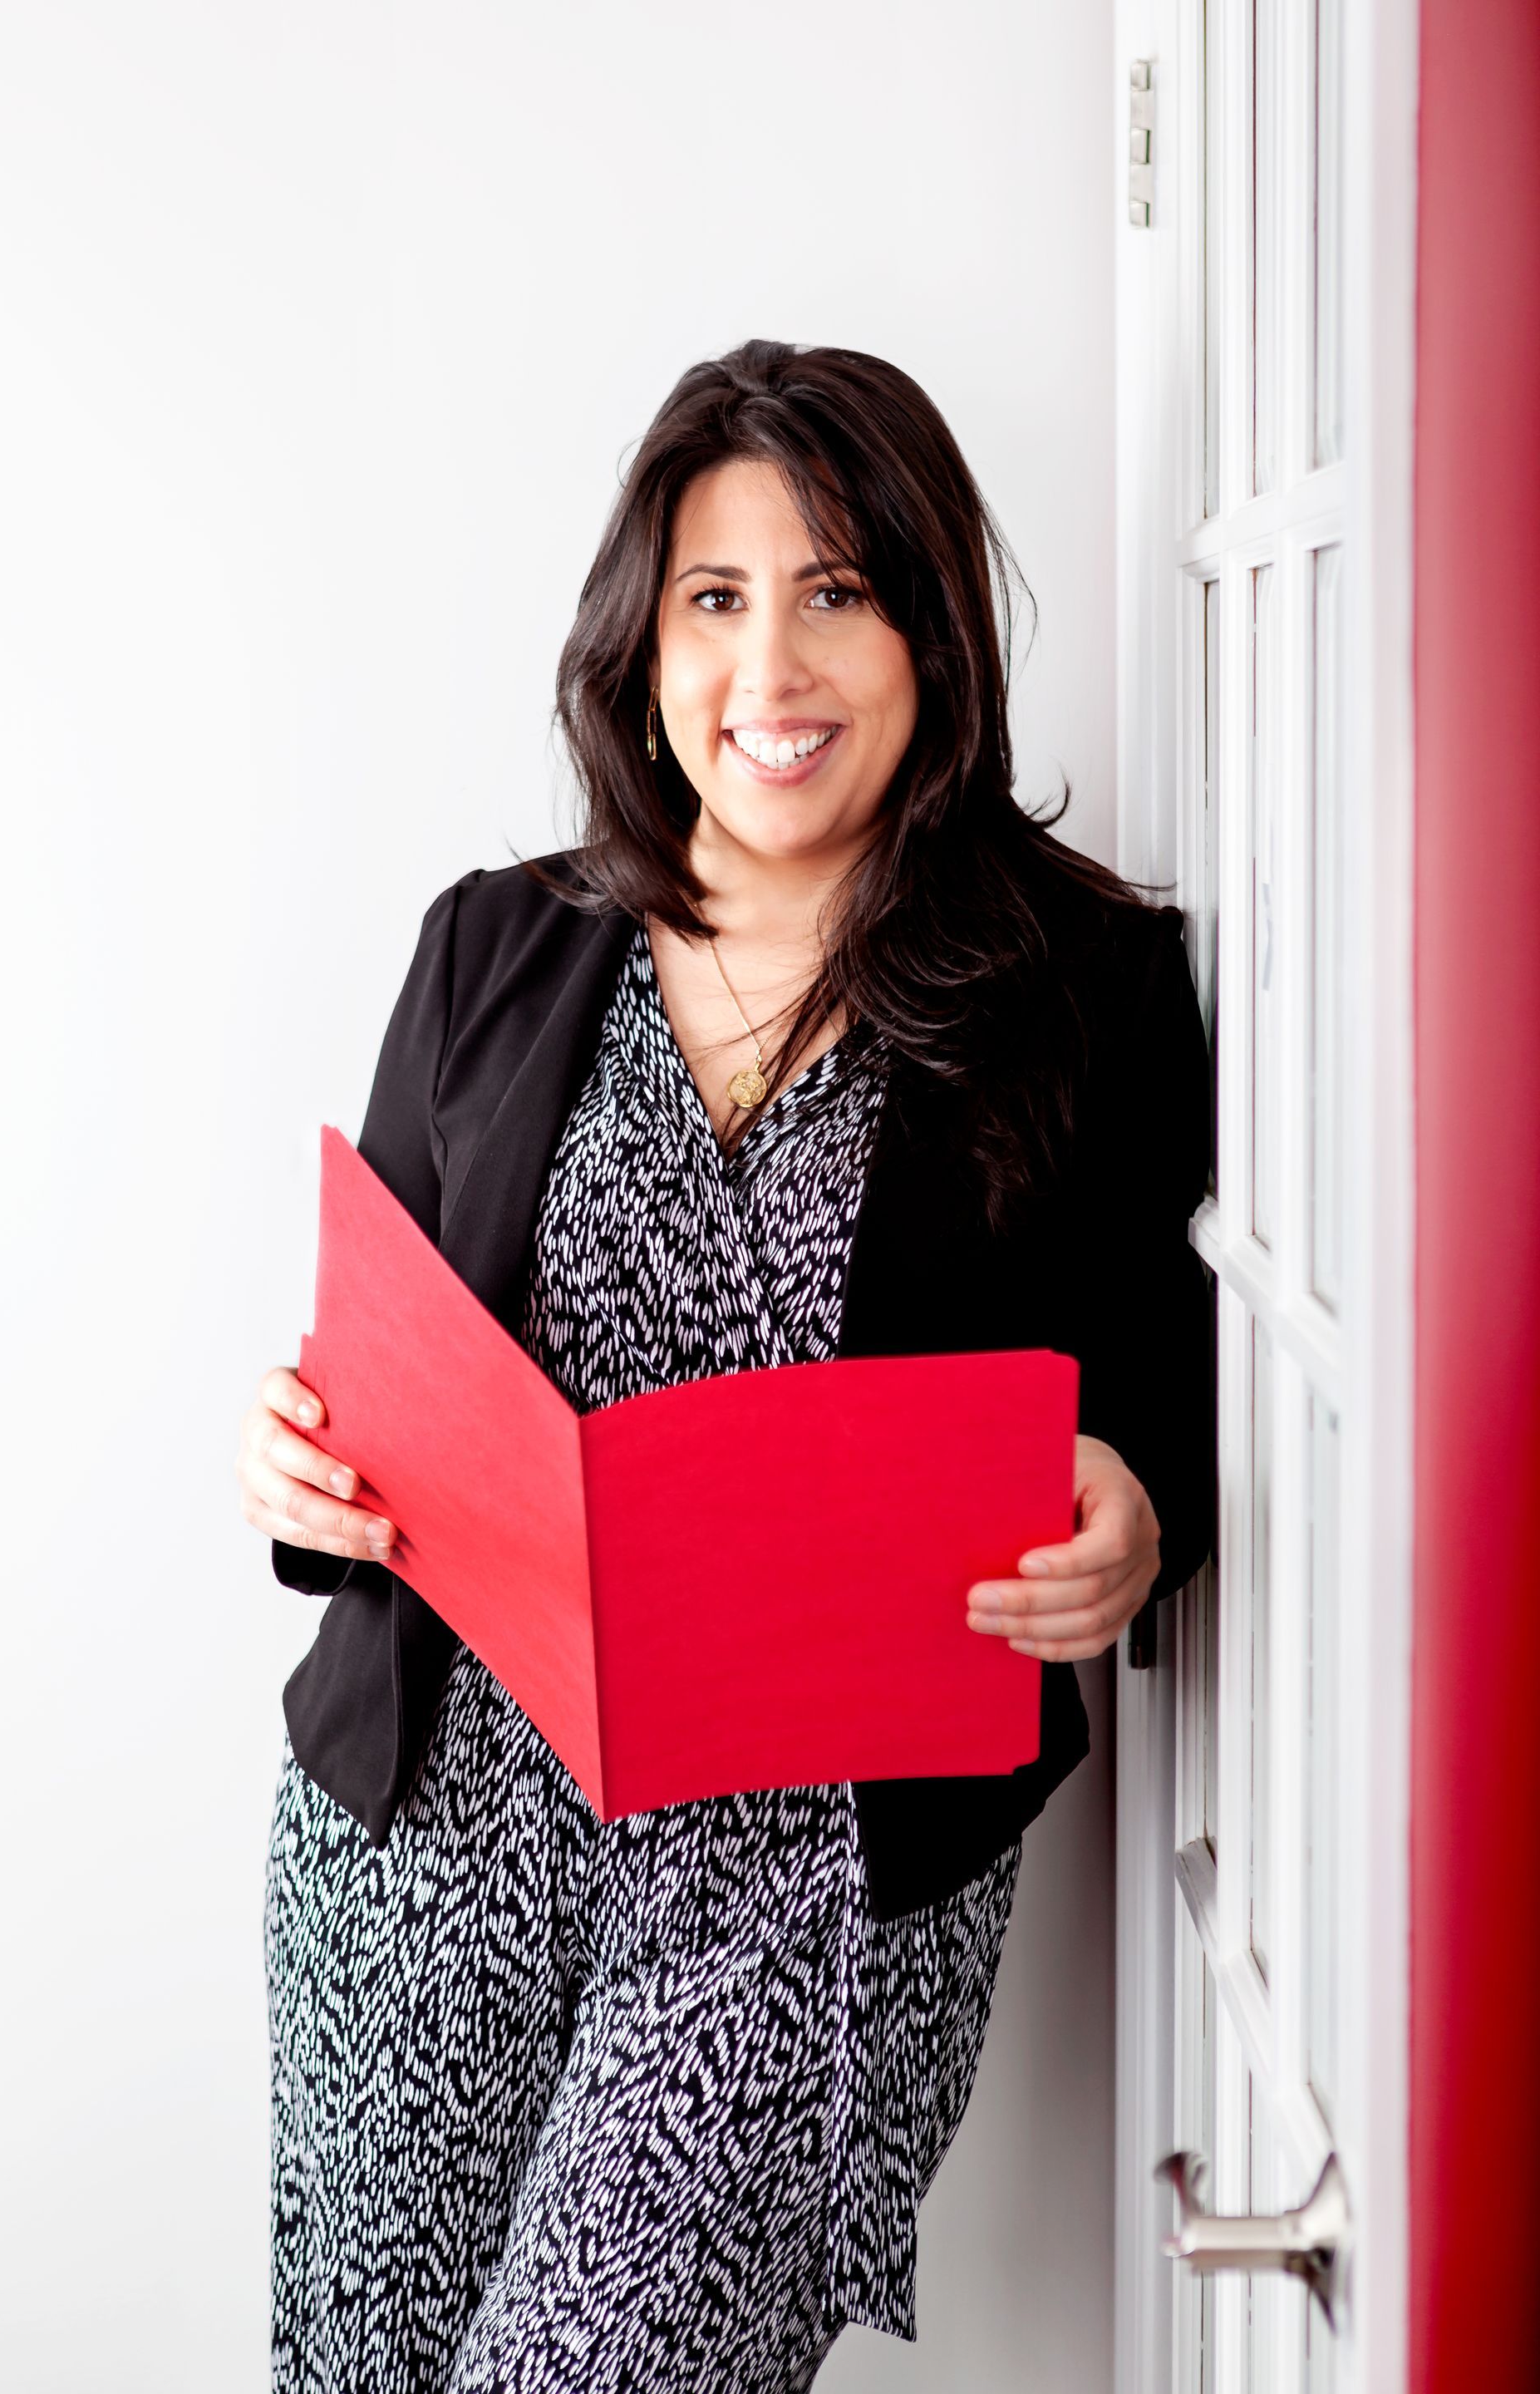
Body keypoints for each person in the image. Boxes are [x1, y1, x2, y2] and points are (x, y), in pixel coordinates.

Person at [238, 337, 1214, 2393]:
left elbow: (1170, 1379)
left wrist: (1140, 1499)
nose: (772, 666)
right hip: (430, 1839)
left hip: (813, 1887)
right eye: (716, 598)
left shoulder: (1091, 989)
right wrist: (301, 1477)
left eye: (838, 590)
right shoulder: (490, 952)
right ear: (645, 641)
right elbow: (377, 1380)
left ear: (931, 629)